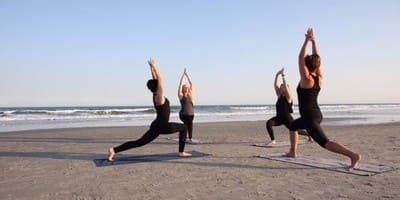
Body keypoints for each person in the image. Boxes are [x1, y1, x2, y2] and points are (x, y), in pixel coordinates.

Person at [288, 28, 361, 169]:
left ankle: (353, 155)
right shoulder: (319, 77)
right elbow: (317, 58)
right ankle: (292, 152)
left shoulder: (307, 79)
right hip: (315, 114)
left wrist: (306, 41)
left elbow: (300, 59)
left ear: (306, 66)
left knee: (325, 143)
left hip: (310, 117)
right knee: (292, 126)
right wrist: (314, 41)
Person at [108, 58, 192, 161]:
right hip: (162, 125)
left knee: (139, 142)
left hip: (157, 125)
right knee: (184, 127)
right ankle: (181, 152)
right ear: (157, 86)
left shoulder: (155, 94)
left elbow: (156, 79)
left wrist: (151, 67)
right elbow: (160, 79)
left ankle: (114, 150)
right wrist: (154, 66)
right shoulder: (159, 97)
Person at [266, 68, 310, 146]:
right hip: (279, 118)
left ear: (286, 89)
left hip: (287, 118)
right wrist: (277, 75)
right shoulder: (279, 96)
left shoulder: (289, 98)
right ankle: (273, 140)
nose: (280, 87)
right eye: (281, 86)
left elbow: (285, 86)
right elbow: (275, 85)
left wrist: (283, 76)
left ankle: (309, 134)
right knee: (269, 123)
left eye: (282, 86)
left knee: (297, 130)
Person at [178, 68, 195, 142]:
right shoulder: (181, 96)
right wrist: (183, 75)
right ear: (183, 89)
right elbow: (180, 84)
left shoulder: (191, 95)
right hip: (183, 115)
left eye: (187, 88)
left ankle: (190, 138)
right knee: (186, 125)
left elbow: (191, 83)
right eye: (185, 88)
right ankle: (184, 137)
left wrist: (187, 75)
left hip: (191, 114)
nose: (187, 88)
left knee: (190, 125)